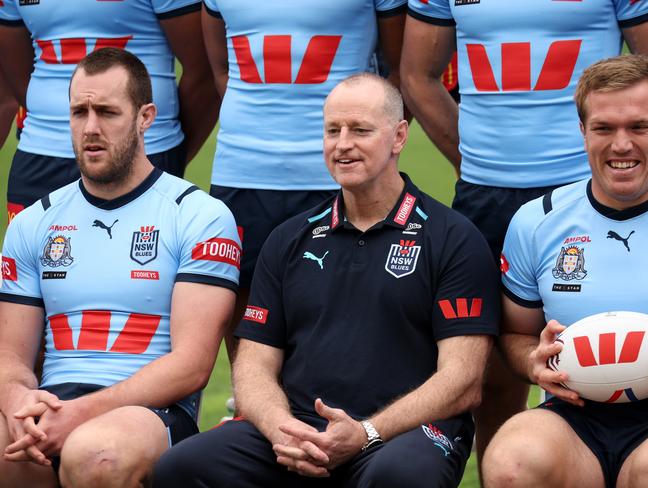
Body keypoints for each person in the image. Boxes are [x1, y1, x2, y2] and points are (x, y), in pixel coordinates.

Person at [153, 73, 499, 488]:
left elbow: (462, 381)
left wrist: (366, 433)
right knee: (182, 467)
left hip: (405, 434)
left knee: (400, 476)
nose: (343, 144)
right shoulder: (288, 239)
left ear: (399, 136)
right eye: (333, 130)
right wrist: (283, 429)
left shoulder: (454, 239)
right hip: (301, 428)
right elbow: (254, 364)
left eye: (361, 130)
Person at [400, 0, 648, 468]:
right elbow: (416, 75)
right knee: (494, 371)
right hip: (490, 195)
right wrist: (473, 161)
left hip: (600, 184)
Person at [0, 48, 239, 487]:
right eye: (79, 112)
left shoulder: (199, 216)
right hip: (53, 402)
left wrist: (79, 413)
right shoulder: (33, 222)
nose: (90, 128)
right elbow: (11, 354)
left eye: (107, 112)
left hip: (150, 411)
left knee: (97, 456)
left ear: (145, 117)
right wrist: (18, 399)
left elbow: (192, 364)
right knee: (13, 447)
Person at [201, 0, 408, 360]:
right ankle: (251, 405)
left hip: (335, 176)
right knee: (247, 317)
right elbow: (220, 69)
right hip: (243, 171)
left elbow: (400, 71)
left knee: (344, 317)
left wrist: (362, 151)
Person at [483, 54, 648, 488]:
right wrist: (533, 365)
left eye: (639, 127)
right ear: (582, 132)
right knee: (511, 465)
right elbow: (516, 336)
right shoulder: (537, 221)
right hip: (573, 415)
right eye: (604, 128)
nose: (621, 145)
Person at [0, 0, 217, 221]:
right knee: (33, 252)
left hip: (144, 150)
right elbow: (15, 74)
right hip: (40, 152)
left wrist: (168, 153)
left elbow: (203, 74)